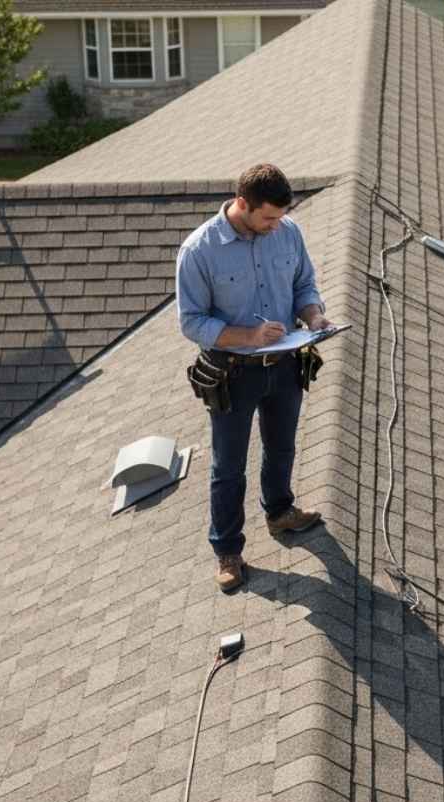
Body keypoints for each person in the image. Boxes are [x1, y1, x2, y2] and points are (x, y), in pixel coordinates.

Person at [177, 163, 330, 592]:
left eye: (280, 217)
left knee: (281, 445)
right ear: (242, 204)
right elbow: (191, 322)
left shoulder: (288, 232)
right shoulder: (199, 251)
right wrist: (246, 335)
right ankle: (227, 550)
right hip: (233, 373)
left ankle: (280, 511)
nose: (275, 225)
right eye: (268, 218)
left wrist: (313, 314)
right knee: (229, 466)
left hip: (284, 365)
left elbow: (304, 284)